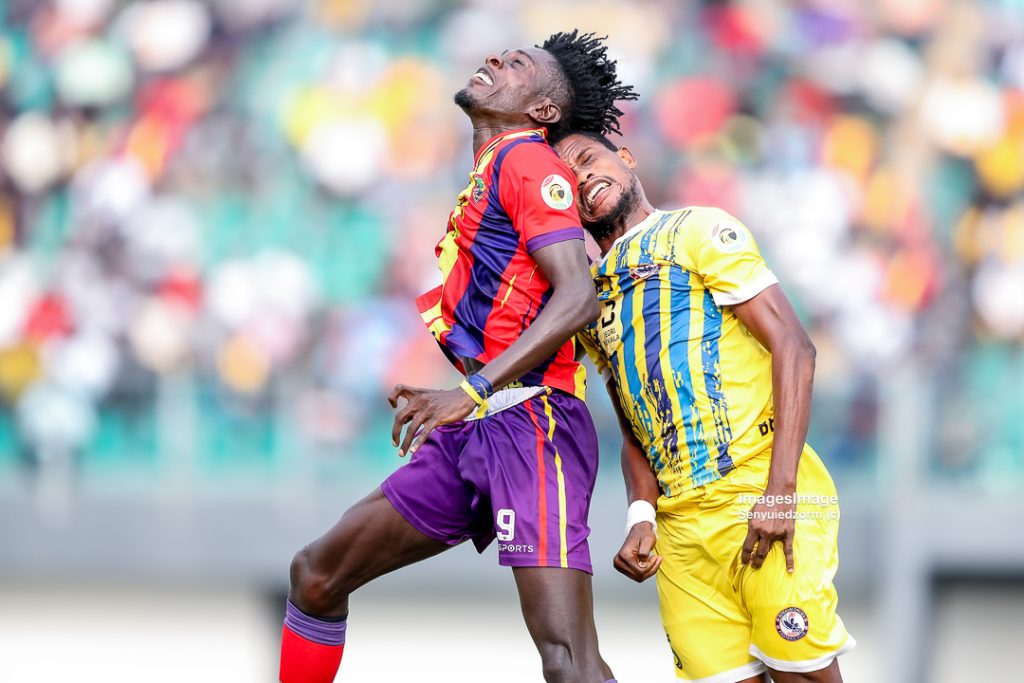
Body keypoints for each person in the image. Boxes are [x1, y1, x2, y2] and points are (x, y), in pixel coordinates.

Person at [278, 31, 636, 683]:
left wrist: (467, 393)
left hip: (536, 426)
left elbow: (577, 297)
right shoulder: (493, 167)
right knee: (317, 575)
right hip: (480, 422)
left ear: (544, 113)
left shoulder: (530, 164)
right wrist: (466, 394)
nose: (499, 59)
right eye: (503, 54)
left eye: (519, 64)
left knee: (569, 660)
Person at [553, 131, 856, 683]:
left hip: (758, 492)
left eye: (588, 159)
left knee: (803, 673)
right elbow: (632, 426)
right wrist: (641, 515)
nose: (581, 178)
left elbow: (795, 346)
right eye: (565, 179)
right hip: (681, 532)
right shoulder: (589, 299)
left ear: (625, 156)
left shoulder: (696, 230)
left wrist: (780, 495)